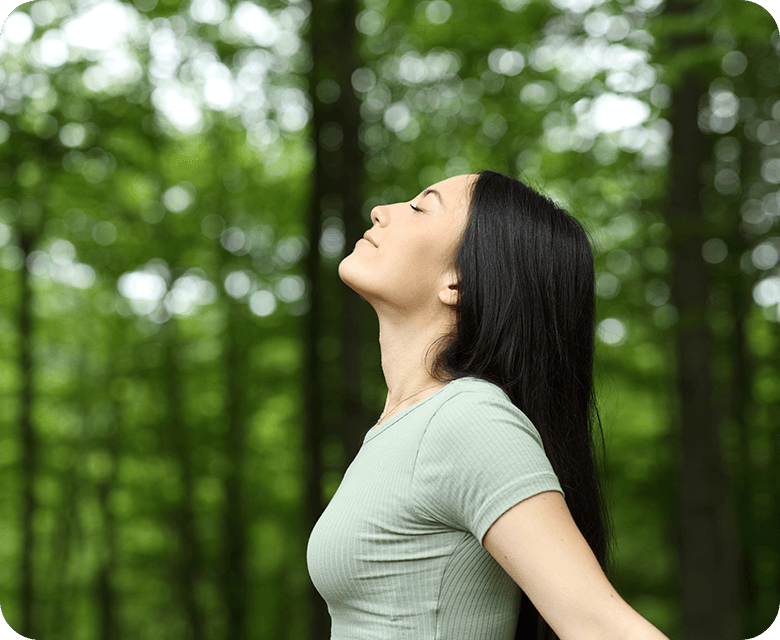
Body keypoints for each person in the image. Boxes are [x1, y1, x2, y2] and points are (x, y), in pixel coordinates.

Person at [307, 170, 671, 640]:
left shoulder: (466, 418)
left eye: (420, 207)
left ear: (458, 283)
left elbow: (599, 625)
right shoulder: (402, 425)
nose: (381, 211)